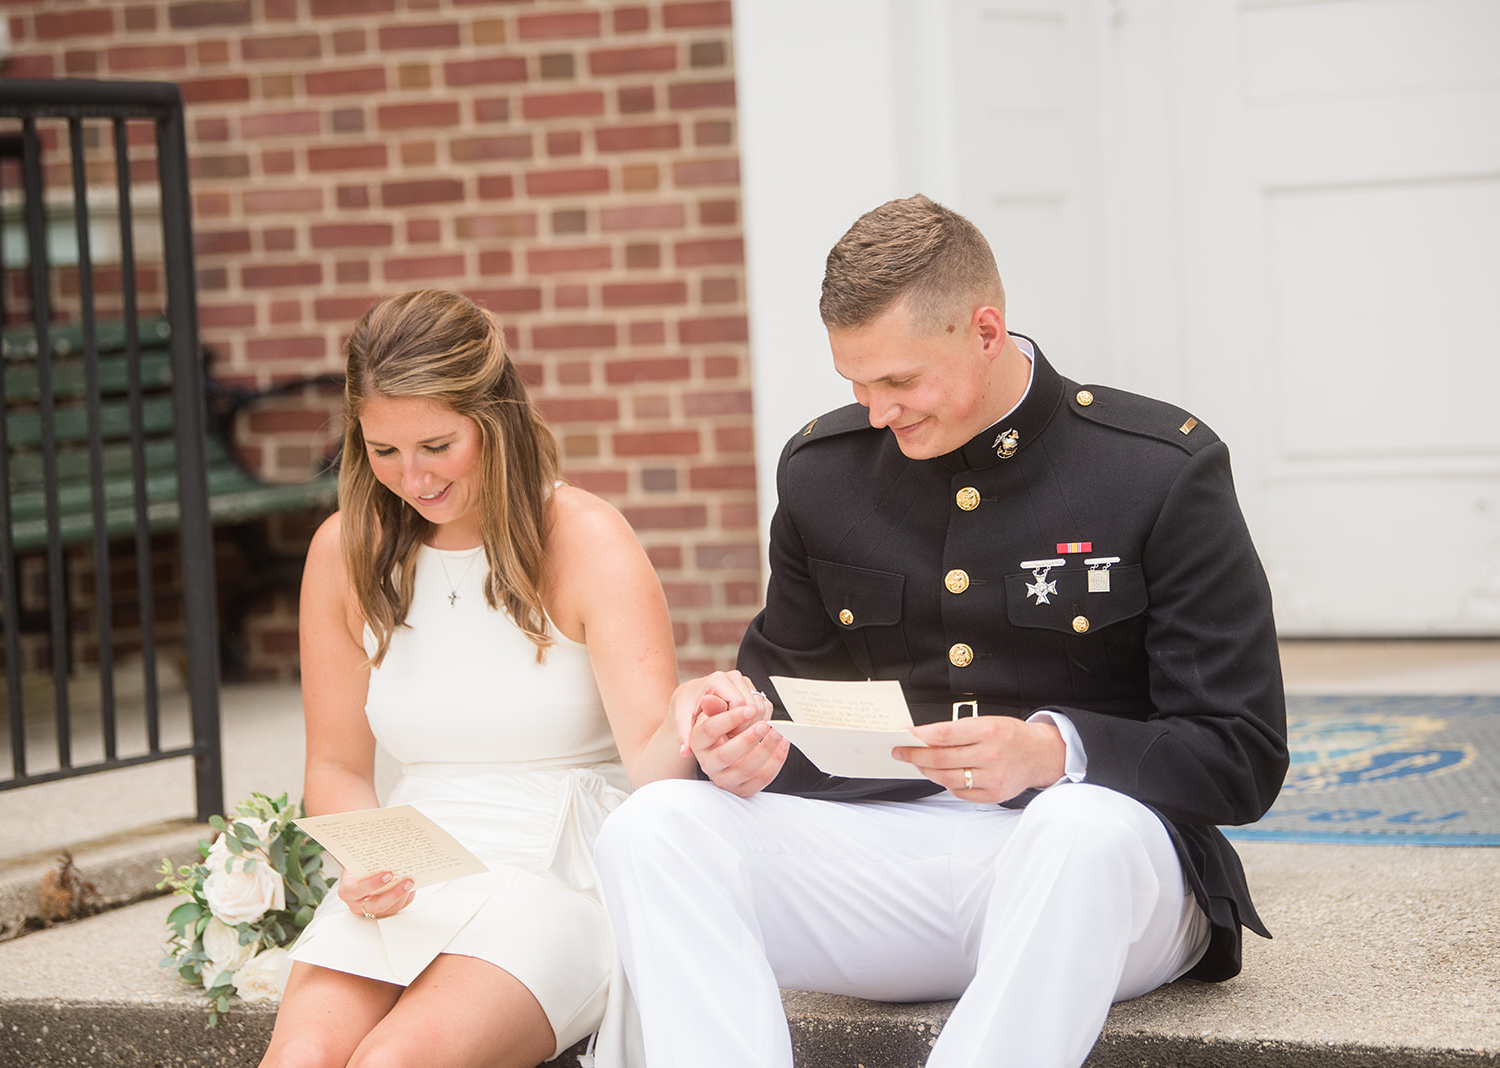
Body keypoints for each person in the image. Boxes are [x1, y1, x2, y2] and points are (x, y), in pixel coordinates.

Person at [593, 195, 1290, 1068]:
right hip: (889, 868)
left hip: (1112, 883)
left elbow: (1243, 753)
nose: (876, 412)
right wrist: (744, 751)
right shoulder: (825, 476)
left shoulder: (1158, 470)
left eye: (899, 381)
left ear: (987, 331)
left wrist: (1054, 752)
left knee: (1080, 830)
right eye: (855, 383)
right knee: (653, 827)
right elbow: (786, 704)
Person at [260, 289, 710, 1068]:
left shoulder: (585, 539)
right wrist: (365, 858)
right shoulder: (345, 551)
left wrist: (704, 715)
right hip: (414, 865)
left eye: (437, 445)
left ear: (493, 420)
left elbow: (653, 760)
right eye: (383, 449)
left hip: (559, 874)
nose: (412, 478)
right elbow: (334, 766)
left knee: (393, 1063)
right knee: (299, 1058)